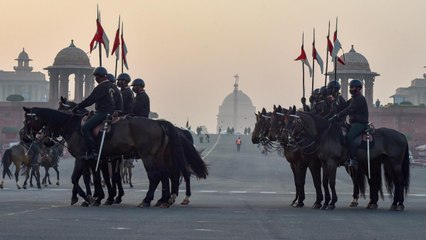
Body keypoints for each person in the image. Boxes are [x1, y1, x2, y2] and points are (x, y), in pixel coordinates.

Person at [72, 67, 117, 160]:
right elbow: (119, 101)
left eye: (96, 76)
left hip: (103, 112)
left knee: (85, 128)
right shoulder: (113, 86)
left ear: (100, 77)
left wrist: (78, 106)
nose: (95, 79)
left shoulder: (101, 87)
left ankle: (93, 151)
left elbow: (90, 100)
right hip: (112, 112)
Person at [328, 79, 369, 168]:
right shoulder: (353, 98)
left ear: (358, 89)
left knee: (349, 136)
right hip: (353, 123)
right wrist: (334, 100)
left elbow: (349, 110)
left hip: (360, 123)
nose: (351, 89)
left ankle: (354, 159)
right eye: (350, 87)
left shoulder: (360, 99)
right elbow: (344, 106)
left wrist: (336, 116)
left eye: (352, 87)